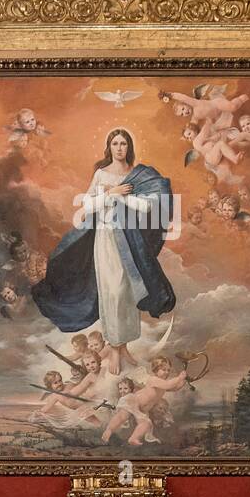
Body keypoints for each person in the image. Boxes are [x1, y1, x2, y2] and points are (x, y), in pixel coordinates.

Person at [32, 128, 175, 374]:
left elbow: (150, 206)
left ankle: (123, 346)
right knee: (112, 291)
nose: (120, 148)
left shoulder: (138, 174)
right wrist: (111, 193)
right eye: (115, 144)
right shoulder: (101, 174)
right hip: (107, 239)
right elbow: (87, 206)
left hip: (132, 242)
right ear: (109, 148)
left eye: (124, 144)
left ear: (129, 147)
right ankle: (114, 347)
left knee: (128, 293)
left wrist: (125, 199)